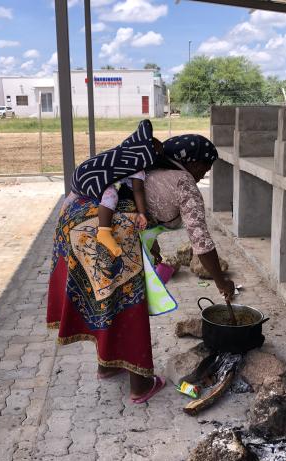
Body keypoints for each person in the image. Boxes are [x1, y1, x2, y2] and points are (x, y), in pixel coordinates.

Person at [47, 121, 234, 404]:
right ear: (191, 162)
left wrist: (152, 245)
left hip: (76, 218)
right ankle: (140, 385)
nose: (205, 173)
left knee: (107, 300)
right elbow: (202, 244)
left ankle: (107, 366)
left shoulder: (153, 169)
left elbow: (142, 206)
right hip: (103, 231)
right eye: (205, 166)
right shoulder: (184, 184)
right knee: (128, 305)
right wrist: (221, 281)